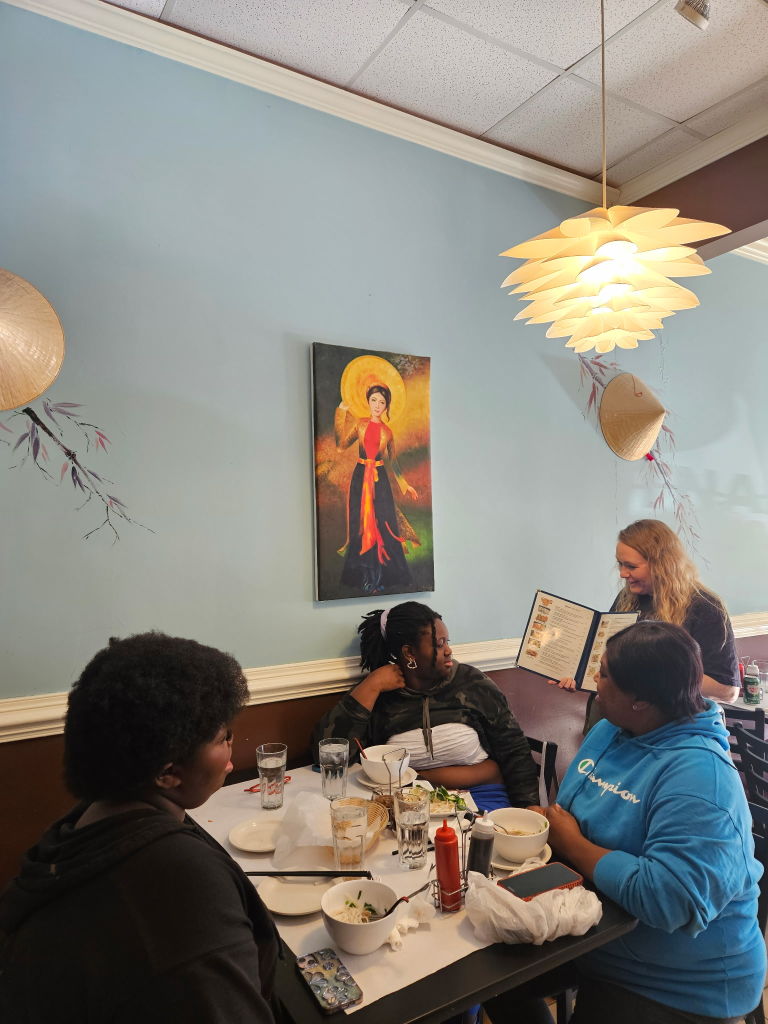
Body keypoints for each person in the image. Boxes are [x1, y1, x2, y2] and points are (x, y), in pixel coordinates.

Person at [487, 620, 765, 1024]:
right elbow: (570, 816)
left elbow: (670, 900)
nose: (594, 682)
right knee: (490, 978)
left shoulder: (702, 778)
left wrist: (573, 844)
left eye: (604, 674)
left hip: (676, 983)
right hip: (595, 939)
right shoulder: (610, 732)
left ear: (641, 701)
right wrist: (546, 825)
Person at [0, 633, 280, 1024]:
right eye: (223, 737)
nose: (232, 743)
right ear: (167, 773)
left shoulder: (85, 823)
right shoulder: (182, 886)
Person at [312, 601, 539, 809]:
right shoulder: (382, 695)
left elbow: (514, 750)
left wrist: (530, 807)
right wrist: (371, 686)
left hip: (482, 799)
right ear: (409, 652)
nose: (448, 650)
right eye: (439, 644)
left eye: (447, 641)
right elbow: (327, 757)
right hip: (407, 806)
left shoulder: (472, 683)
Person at [550, 519, 739, 730]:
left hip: (670, 733)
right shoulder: (627, 599)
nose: (623, 573)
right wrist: (581, 676)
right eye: (620, 564)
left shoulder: (705, 608)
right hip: (610, 724)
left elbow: (727, 690)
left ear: (662, 564)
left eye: (631, 566)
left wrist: (652, 678)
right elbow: (610, 664)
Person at [335, 383, 420, 595]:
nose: (377, 405)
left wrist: (405, 485)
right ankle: (365, 577)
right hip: (360, 478)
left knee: (383, 523)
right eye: (374, 400)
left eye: (382, 402)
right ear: (368, 401)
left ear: (386, 406)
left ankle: (383, 577)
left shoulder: (388, 433)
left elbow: (394, 462)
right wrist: (341, 414)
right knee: (361, 525)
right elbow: (341, 446)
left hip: (380, 480)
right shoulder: (360, 425)